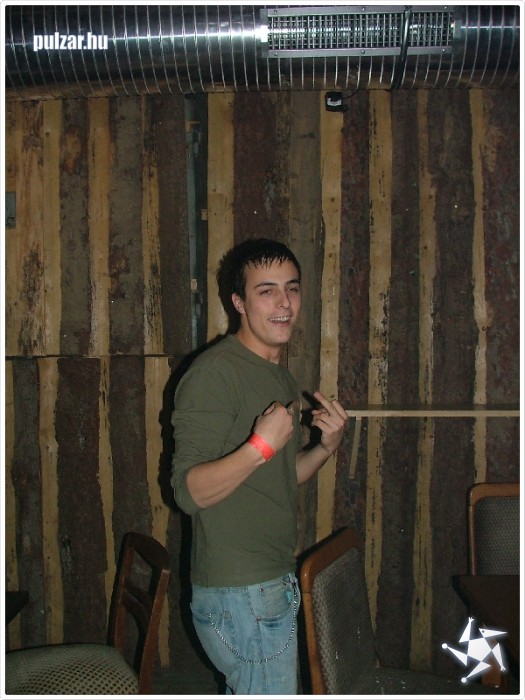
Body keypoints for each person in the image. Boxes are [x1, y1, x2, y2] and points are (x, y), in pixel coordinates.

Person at [171, 238, 348, 695]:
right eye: (266, 290)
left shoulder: (279, 376)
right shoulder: (214, 374)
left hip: (267, 582)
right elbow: (188, 492)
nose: (284, 302)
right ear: (238, 302)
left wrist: (325, 447)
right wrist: (259, 446)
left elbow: (280, 477)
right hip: (241, 592)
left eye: (292, 288)